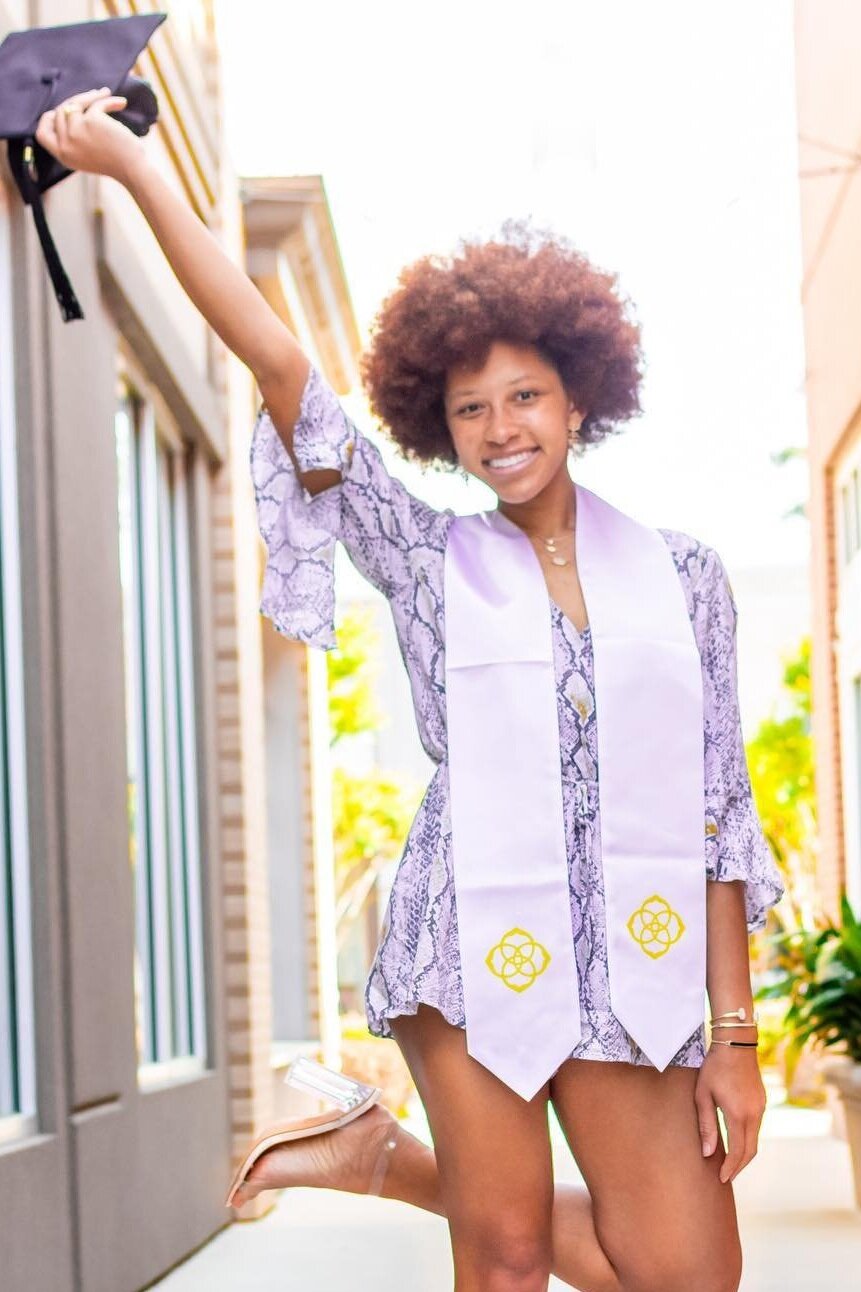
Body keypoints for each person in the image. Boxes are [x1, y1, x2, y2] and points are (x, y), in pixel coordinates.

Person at [36, 89, 785, 1292]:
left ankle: (383, 1155)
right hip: (469, 932)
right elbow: (278, 360)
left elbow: (717, 805)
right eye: (469, 407)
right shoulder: (426, 558)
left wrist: (736, 1032)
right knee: (506, 1255)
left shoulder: (685, 576)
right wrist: (135, 168)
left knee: (691, 1272)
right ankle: (421, 1167)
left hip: (633, 956)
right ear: (441, 428)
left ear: (579, 397)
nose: (501, 427)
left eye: (526, 394)